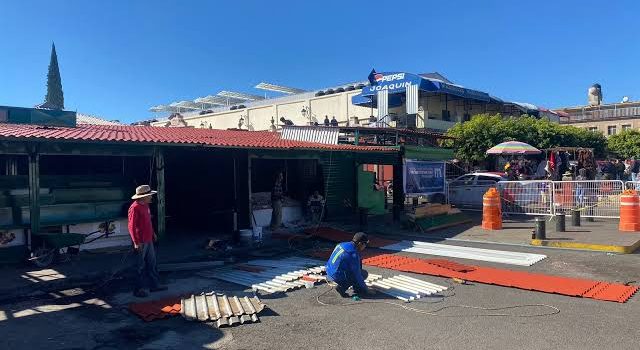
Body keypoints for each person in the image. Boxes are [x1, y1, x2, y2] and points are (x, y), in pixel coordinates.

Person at [128, 185, 167, 298]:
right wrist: (136, 242)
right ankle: (138, 289)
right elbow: (131, 226)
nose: (151, 197)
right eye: (149, 195)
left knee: (152, 263)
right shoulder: (134, 208)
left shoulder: (145, 206)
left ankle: (154, 285)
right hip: (140, 241)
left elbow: (148, 222)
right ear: (143, 197)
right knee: (139, 266)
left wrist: (153, 233)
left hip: (148, 239)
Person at [326, 232, 375, 298]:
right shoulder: (352, 254)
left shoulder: (342, 244)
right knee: (363, 274)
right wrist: (366, 289)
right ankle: (342, 287)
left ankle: (355, 287)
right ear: (360, 243)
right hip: (336, 276)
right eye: (365, 244)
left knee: (358, 269)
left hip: (329, 271)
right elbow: (357, 275)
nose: (365, 246)